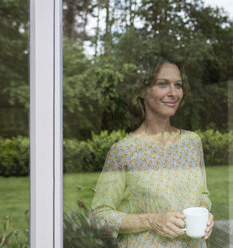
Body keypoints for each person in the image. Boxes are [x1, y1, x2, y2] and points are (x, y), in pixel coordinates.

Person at [91, 57, 214, 247]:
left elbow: (202, 195)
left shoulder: (192, 142)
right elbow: (99, 216)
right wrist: (151, 220)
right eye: (163, 84)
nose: (173, 93)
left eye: (178, 85)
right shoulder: (124, 151)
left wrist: (205, 214)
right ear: (142, 91)